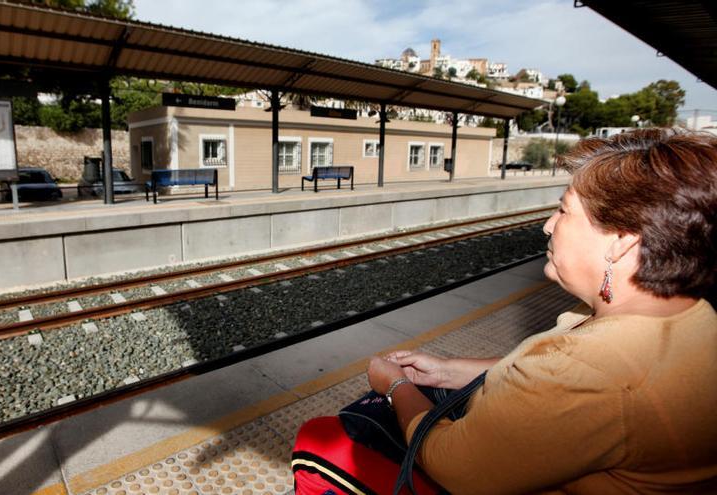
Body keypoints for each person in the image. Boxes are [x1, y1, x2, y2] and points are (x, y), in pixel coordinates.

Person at [295, 128, 717, 494]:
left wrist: (394, 387)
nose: (549, 225)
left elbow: (454, 466)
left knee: (320, 440)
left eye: (564, 210)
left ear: (620, 241)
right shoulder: (695, 314)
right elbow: (554, 388)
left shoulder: (584, 370)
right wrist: (449, 370)